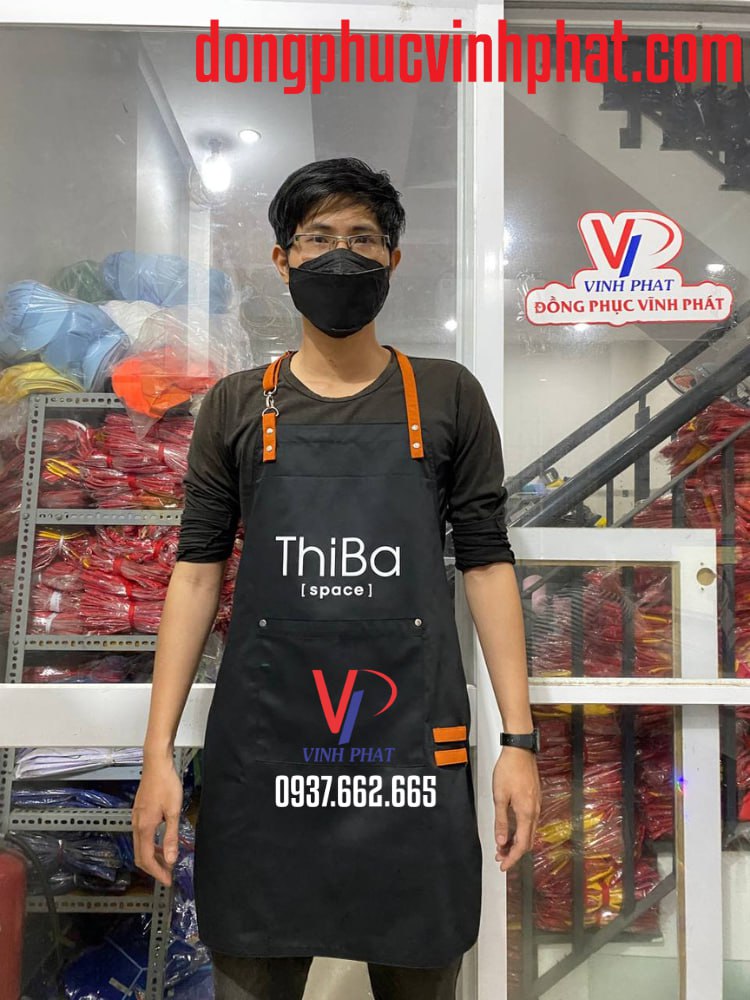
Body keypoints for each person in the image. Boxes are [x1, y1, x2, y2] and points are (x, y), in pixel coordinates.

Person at [132, 157, 541, 1000]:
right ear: (282, 259)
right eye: (318, 238)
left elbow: (487, 563)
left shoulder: (449, 396)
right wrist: (157, 755)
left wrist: (519, 742)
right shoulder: (236, 405)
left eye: (363, 238)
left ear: (394, 259)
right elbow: (196, 575)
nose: (341, 256)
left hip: (410, 762)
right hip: (266, 761)